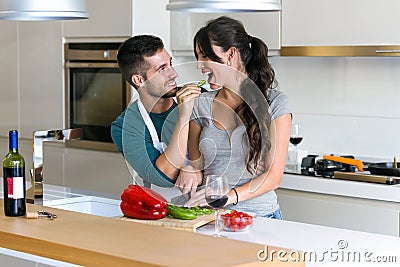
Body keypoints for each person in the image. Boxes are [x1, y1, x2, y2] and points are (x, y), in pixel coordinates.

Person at [183, 16, 292, 219]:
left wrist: (227, 197)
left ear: (231, 54)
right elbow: (196, 163)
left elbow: (273, 177)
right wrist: (190, 169)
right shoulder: (200, 104)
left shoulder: (275, 103)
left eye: (205, 56)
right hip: (209, 217)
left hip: (260, 217)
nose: (199, 65)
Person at [111, 35, 202, 188]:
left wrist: (194, 167)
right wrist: (184, 116)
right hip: (161, 208)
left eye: (170, 64)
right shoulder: (125, 127)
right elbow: (163, 176)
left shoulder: (198, 99)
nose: (174, 74)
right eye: (162, 69)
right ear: (139, 80)